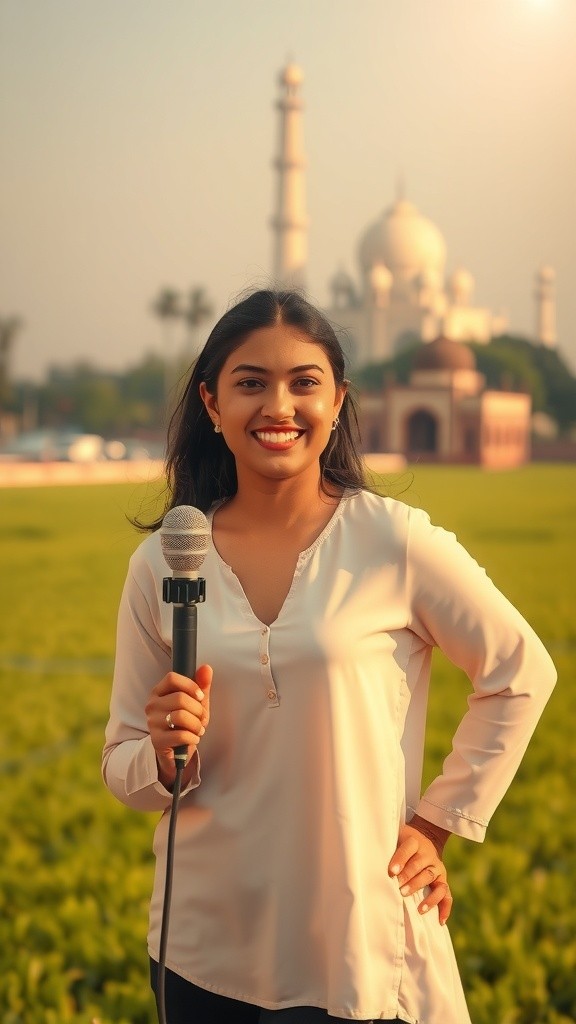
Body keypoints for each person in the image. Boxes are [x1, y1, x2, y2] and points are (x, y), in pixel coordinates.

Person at [103, 289, 556, 1024]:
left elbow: (520, 672)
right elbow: (121, 763)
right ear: (212, 405)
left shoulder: (394, 542)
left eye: (303, 383)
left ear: (338, 402)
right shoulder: (163, 563)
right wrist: (157, 755)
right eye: (251, 383)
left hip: (353, 941)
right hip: (202, 944)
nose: (278, 406)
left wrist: (437, 823)